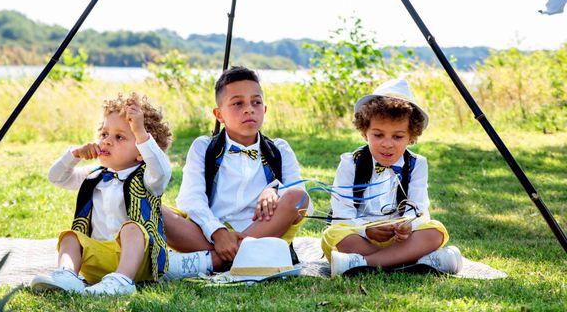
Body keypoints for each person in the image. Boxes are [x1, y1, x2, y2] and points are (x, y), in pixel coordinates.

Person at [162, 66, 311, 279]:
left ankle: (214, 261)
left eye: (256, 102)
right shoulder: (204, 147)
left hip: (263, 232)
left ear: (265, 109)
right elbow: (190, 198)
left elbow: (301, 199)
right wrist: (218, 232)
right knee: (153, 207)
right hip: (209, 235)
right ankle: (243, 258)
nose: (249, 109)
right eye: (237, 103)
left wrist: (275, 190)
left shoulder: (279, 149)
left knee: (298, 198)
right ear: (219, 114)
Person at [31, 93, 172, 295]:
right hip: (98, 260)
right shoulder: (93, 176)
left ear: (141, 151)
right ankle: (67, 275)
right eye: (104, 134)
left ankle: (122, 282)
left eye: (119, 137)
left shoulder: (148, 178)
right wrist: (75, 154)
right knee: (71, 237)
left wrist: (140, 132)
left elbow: (163, 171)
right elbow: (57, 178)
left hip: (138, 262)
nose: (107, 141)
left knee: (132, 229)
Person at [321, 78, 463, 276]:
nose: (387, 144)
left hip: (400, 240)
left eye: (397, 137)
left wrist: (405, 227)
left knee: (435, 231)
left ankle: (362, 263)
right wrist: (366, 230)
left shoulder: (417, 164)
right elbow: (341, 214)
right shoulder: (350, 163)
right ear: (365, 132)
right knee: (333, 235)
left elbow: (418, 211)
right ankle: (413, 261)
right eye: (378, 135)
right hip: (360, 237)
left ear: (411, 136)